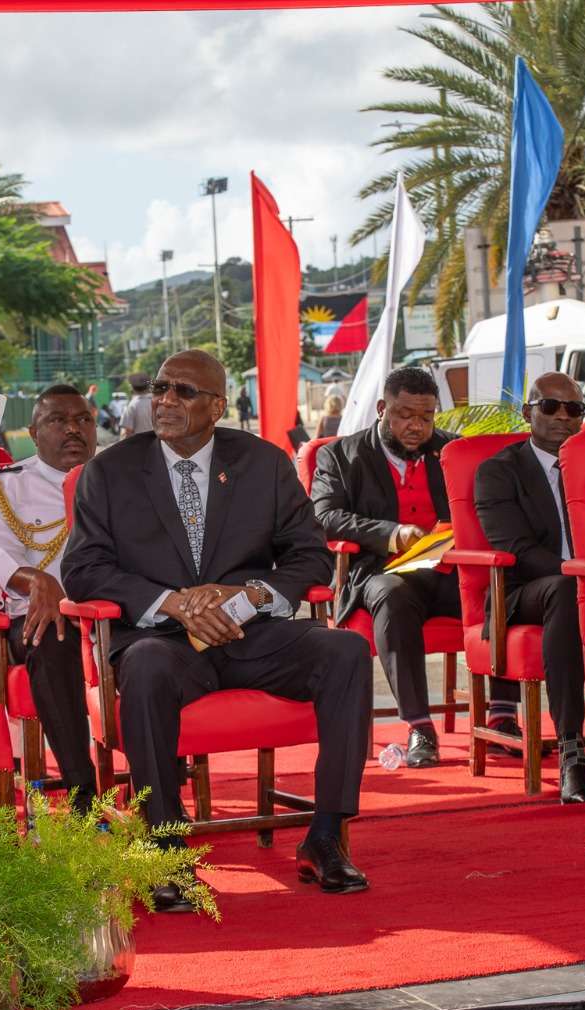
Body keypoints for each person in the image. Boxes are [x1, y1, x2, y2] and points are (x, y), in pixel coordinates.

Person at [63, 349, 371, 904]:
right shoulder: (109, 472)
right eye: (160, 388)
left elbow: (310, 556)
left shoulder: (263, 463)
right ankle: (166, 847)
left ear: (217, 407)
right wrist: (172, 603)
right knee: (147, 665)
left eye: (183, 392)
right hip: (164, 640)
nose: (165, 401)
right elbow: (82, 569)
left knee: (346, 650)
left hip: (250, 633)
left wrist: (249, 594)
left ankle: (325, 836)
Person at [313, 367, 510, 768]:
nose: (416, 426)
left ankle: (503, 715)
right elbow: (324, 516)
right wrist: (390, 532)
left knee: (502, 587)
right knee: (393, 596)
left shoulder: (453, 451)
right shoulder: (341, 455)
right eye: (405, 415)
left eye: (426, 417)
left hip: (450, 570)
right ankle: (420, 726)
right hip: (382, 571)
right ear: (383, 408)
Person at [0, 384, 99, 813]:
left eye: (82, 420)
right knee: (54, 636)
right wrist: (33, 579)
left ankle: (157, 791)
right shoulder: (5, 486)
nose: (72, 430)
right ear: (33, 431)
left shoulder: (121, 479)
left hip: (112, 615)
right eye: (57, 421)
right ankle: (83, 794)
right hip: (38, 620)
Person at [472, 373, 585, 803]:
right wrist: (584, 573)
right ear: (529, 412)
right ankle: (571, 750)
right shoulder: (499, 472)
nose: (563, 416)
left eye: (574, 409)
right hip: (523, 592)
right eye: (550, 407)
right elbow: (516, 548)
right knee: (564, 588)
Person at [120, 374, 154, 438]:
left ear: (132, 388)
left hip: (140, 444)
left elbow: (127, 432)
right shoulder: (158, 402)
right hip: (159, 444)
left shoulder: (132, 405)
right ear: (149, 387)